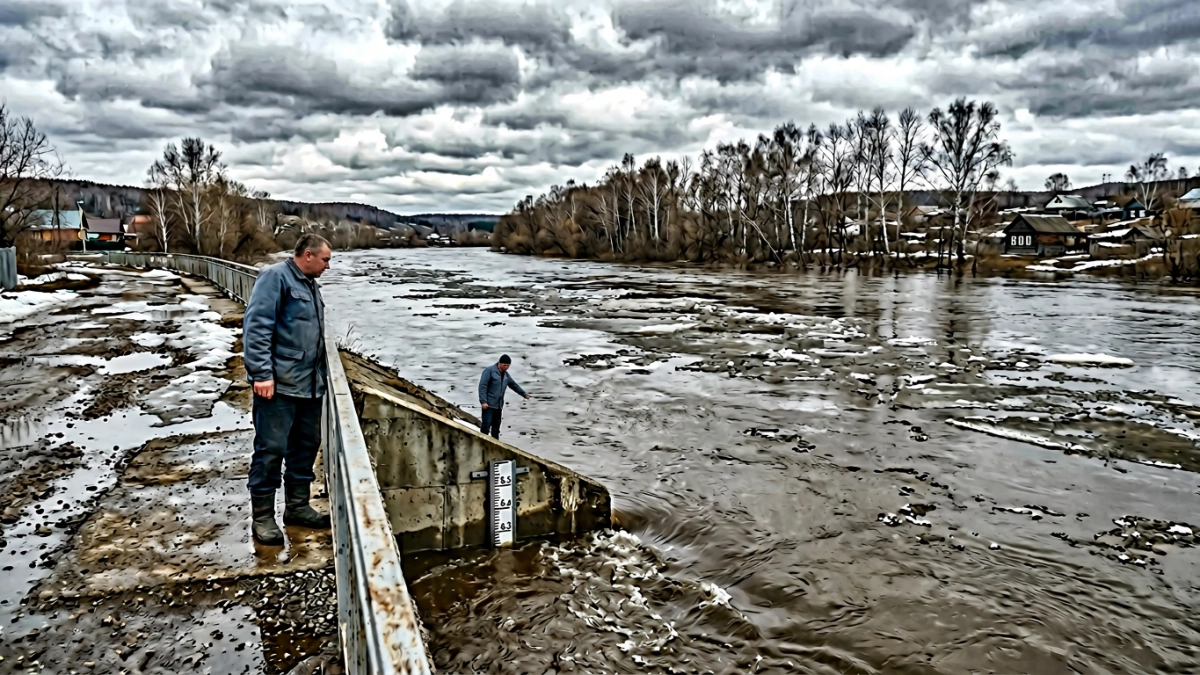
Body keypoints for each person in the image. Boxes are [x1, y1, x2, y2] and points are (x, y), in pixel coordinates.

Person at [242, 234, 333, 546]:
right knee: (271, 450)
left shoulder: (309, 283)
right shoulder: (274, 278)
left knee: (306, 447)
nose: (328, 266)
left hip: (309, 386)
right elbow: (256, 327)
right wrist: (261, 375)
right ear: (308, 255)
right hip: (279, 387)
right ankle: (263, 517)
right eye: (325, 260)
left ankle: (297, 507)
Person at [477, 354, 530, 439]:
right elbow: (483, 386)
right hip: (488, 405)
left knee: (496, 428)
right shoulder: (489, 371)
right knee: (486, 426)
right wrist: (483, 401)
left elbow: (513, 385)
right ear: (499, 363)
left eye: (508, 366)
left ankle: (495, 444)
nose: (506, 367)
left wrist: (523, 394)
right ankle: (482, 441)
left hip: (499, 405)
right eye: (504, 365)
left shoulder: (506, 375)